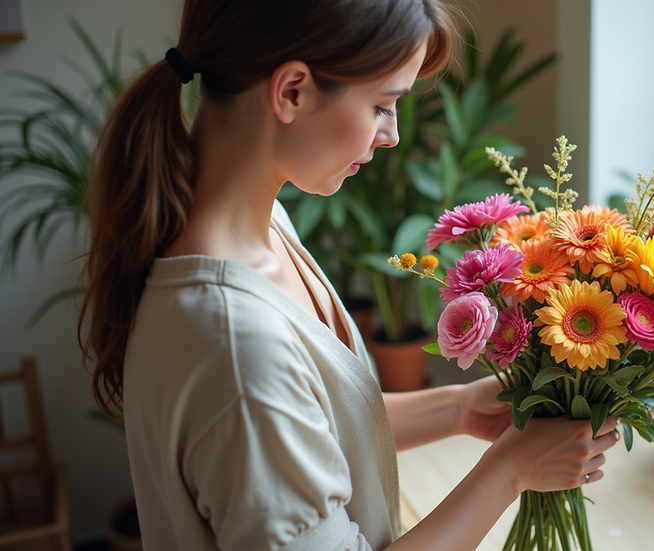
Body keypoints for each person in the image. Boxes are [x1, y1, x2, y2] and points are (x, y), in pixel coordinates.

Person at [79, 1, 619, 550]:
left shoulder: (261, 225)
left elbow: (314, 426)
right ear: (292, 91)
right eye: (384, 105)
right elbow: (265, 397)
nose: (392, 136)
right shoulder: (237, 345)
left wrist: (457, 408)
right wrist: (510, 471)